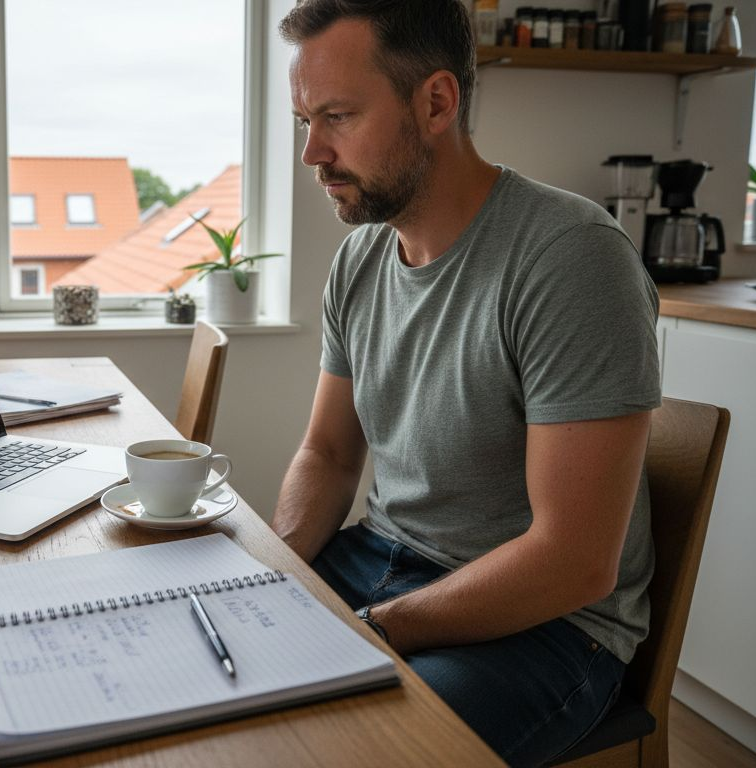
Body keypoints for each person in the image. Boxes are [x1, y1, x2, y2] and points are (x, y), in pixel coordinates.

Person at [271, 1, 662, 765]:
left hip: (546, 624)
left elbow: (574, 561)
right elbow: (327, 454)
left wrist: (377, 627)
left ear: (437, 102)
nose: (312, 152)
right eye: (302, 122)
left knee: (351, 750)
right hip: (383, 558)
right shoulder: (361, 262)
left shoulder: (569, 258)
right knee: (212, 663)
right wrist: (275, 569)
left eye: (338, 117)